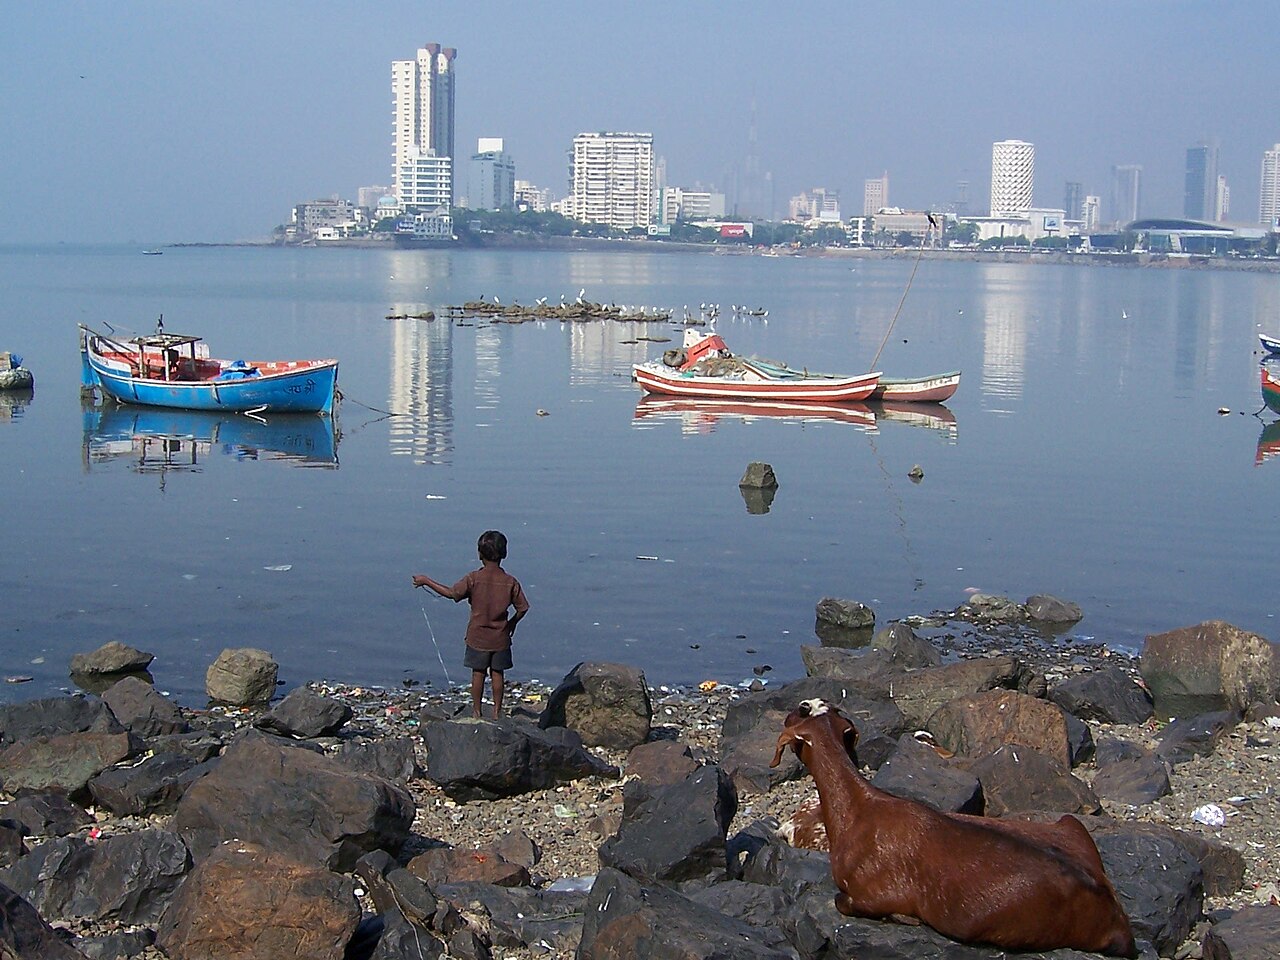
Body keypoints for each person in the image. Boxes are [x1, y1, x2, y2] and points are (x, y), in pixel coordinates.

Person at [412, 530, 528, 719]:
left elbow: (451, 593)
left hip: (477, 636)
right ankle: (498, 712)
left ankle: (477, 712)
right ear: (504, 553)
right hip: (500, 637)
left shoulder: (473, 578)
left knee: (478, 674)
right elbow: (523, 608)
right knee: (497, 674)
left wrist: (426, 581)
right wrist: (512, 623)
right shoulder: (510, 582)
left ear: (480, 554)